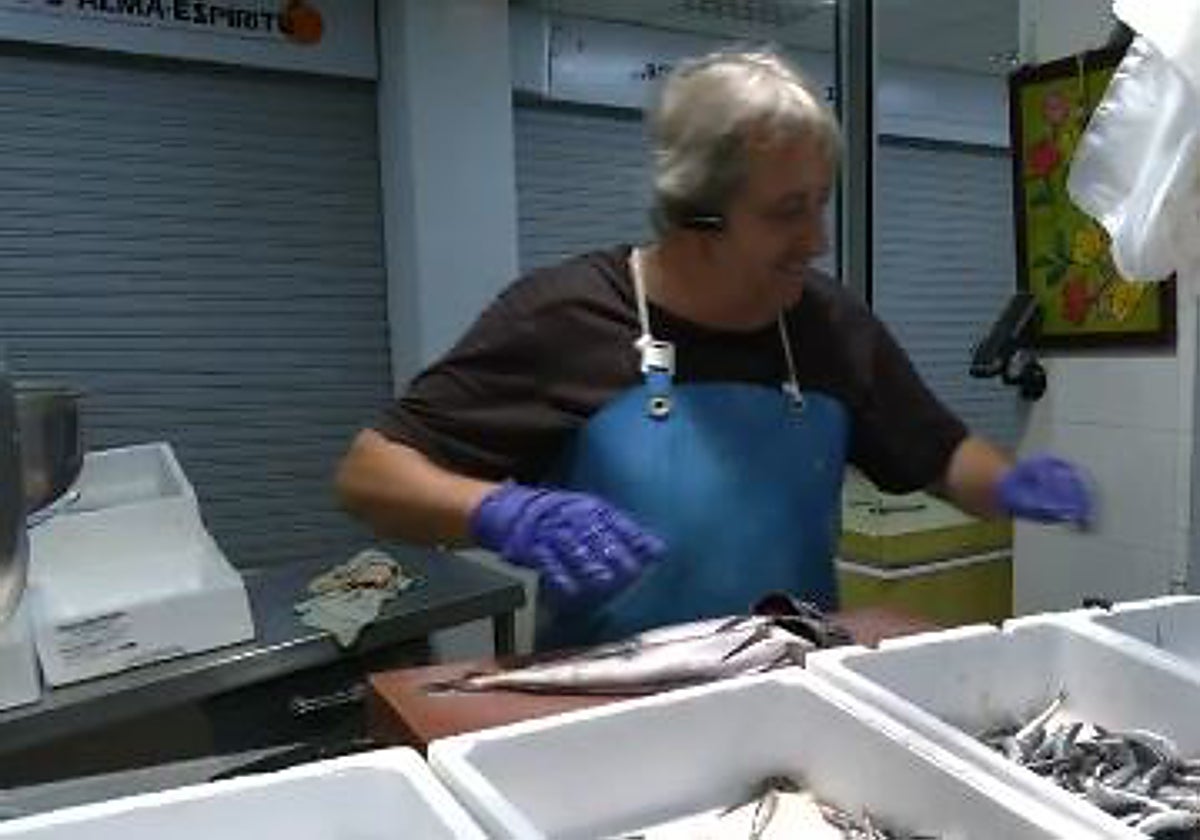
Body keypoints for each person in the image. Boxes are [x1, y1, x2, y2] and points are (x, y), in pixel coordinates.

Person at [336, 49, 1091, 651]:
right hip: (608, 706)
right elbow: (370, 474)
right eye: (787, 212)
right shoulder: (564, 318)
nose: (817, 240)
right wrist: (502, 512)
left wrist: (1011, 483)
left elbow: (938, 455)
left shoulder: (830, 326)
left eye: (820, 204)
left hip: (792, 686)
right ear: (695, 215)